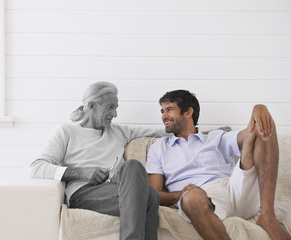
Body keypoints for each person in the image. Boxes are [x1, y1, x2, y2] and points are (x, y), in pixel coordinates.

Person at [146, 90, 291, 240]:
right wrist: (180, 194)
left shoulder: (217, 137)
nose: (163, 116)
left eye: (169, 109)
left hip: (235, 190)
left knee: (263, 127)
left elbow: (251, 133)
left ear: (188, 112)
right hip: (200, 198)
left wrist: (259, 108)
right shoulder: (159, 147)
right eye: (162, 111)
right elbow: (153, 194)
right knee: (192, 198)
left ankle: (268, 216)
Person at [30, 81, 167, 240]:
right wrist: (81, 173)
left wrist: (195, 131)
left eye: (116, 108)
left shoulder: (119, 131)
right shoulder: (67, 132)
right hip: (83, 192)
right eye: (110, 107)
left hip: (118, 188)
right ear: (91, 105)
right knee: (149, 195)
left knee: (135, 169)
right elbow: (37, 167)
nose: (115, 114)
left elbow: (160, 132)